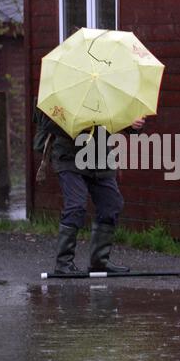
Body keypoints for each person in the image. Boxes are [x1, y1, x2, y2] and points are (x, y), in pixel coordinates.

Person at [34, 107, 145, 275]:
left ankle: (100, 261)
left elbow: (122, 121)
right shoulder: (65, 91)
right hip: (68, 156)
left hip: (99, 156)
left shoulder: (107, 92)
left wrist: (134, 125)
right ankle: (63, 263)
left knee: (111, 203)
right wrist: (80, 124)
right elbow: (46, 123)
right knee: (76, 205)